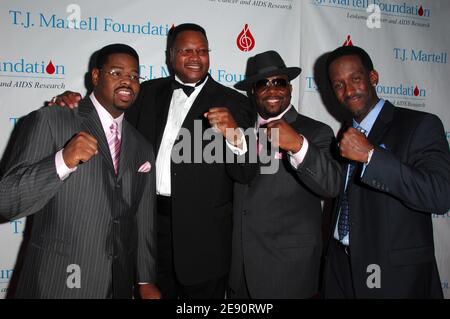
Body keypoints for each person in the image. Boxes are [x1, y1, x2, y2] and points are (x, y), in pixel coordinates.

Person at [49, 24, 257, 298]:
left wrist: (235, 136)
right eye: (186, 50)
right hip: (149, 229)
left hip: (204, 240)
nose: (195, 57)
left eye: (202, 51)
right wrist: (71, 104)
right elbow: (105, 112)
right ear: (170, 55)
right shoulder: (144, 92)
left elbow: (246, 173)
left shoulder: (235, 102)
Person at [0, 44, 160, 299]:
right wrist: (62, 161)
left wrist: (145, 280)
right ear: (96, 76)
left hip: (117, 284)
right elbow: (5, 201)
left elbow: (143, 218)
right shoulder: (52, 120)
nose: (127, 82)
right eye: (117, 73)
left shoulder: (142, 146)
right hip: (54, 284)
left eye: (133, 76)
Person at [322, 45, 450, 298]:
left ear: (373, 78)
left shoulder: (419, 125)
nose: (347, 91)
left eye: (355, 79)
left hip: (393, 277)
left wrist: (371, 156)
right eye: (338, 85)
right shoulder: (343, 135)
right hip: (339, 266)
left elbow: (440, 195)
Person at [228, 50, 342, 298]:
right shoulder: (238, 132)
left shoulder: (316, 131)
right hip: (241, 270)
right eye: (262, 84)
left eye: (279, 82)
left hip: (288, 269)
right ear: (252, 92)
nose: (272, 90)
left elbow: (332, 185)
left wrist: (299, 146)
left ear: (289, 88)